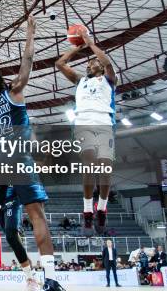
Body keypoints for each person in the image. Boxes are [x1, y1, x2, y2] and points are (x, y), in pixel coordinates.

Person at [0, 15, 64, 291]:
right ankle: (51, 279)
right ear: (4, 84)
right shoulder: (15, 92)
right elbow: (26, 62)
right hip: (19, 157)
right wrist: (31, 32)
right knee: (37, 216)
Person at [56, 28, 117, 235]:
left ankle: (102, 208)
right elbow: (59, 64)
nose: (90, 64)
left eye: (93, 62)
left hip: (104, 122)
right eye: (88, 63)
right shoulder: (80, 80)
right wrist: (78, 48)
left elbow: (107, 62)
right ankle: (87, 211)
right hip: (84, 123)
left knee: (105, 168)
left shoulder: (109, 80)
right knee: (90, 164)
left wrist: (90, 43)